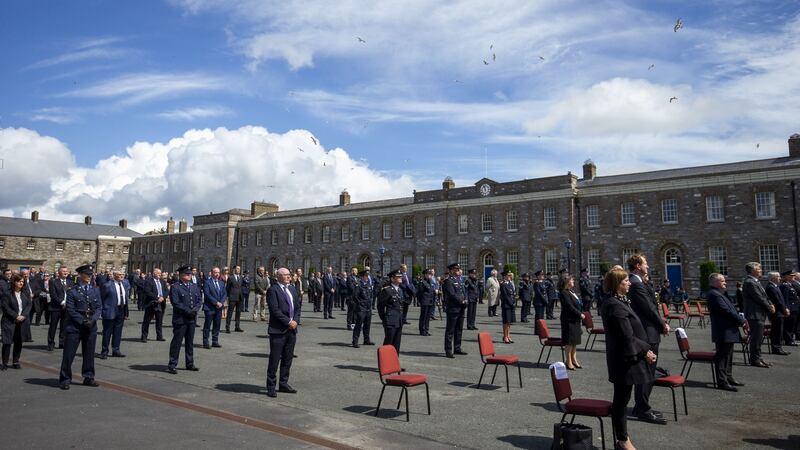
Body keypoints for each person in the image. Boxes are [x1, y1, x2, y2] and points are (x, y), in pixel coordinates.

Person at [599, 268, 657, 450]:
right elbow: (626, 335)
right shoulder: (614, 305)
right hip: (624, 360)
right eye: (625, 281)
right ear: (617, 284)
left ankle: (623, 439)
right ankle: (623, 440)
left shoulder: (620, 301)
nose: (629, 283)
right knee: (621, 401)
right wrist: (645, 350)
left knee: (623, 399)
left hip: (629, 357)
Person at [626, 254, 668, 425]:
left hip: (650, 331)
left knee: (649, 372)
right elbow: (648, 309)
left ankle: (641, 406)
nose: (648, 266)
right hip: (646, 333)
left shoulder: (640, 282)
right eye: (645, 264)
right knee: (646, 373)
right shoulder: (635, 284)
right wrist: (662, 325)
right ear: (637, 266)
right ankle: (642, 408)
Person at [59, 265, 102, 390]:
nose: (89, 276)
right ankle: (65, 379)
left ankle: (88, 377)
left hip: (91, 326)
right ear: (80, 275)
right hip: (75, 327)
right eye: (86, 274)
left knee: (89, 353)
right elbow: (71, 310)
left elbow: (99, 307)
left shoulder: (95, 290)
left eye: (91, 274)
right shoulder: (72, 291)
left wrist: (93, 320)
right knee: (69, 354)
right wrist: (83, 321)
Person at [706, 273, 746, 391]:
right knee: (722, 357)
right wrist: (742, 321)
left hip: (728, 329)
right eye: (722, 280)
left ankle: (728, 377)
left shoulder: (720, 294)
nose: (725, 282)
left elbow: (731, 309)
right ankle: (722, 381)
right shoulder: (714, 295)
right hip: (723, 330)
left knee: (728, 356)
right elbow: (727, 311)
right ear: (714, 283)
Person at [265, 267, 301, 397]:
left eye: (289, 275)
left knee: (288, 358)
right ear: (278, 277)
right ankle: (271, 386)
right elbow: (275, 311)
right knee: (274, 359)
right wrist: (288, 322)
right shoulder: (273, 290)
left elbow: (297, 307)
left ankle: (284, 383)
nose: (288, 277)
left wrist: (295, 320)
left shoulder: (291, 289)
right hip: (278, 330)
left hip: (292, 330)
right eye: (285, 275)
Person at [166, 266, 203, 374]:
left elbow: (199, 300)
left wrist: (195, 310)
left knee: (189, 342)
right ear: (181, 275)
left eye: (190, 274)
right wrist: (188, 311)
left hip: (191, 318)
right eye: (187, 274)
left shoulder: (194, 286)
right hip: (181, 318)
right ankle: (172, 364)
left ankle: (190, 363)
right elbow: (176, 302)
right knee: (177, 342)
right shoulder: (176, 287)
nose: (189, 275)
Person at [742, 262, 775, 368]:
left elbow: (764, 296)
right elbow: (759, 298)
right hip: (754, 314)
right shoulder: (749, 282)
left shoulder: (756, 282)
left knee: (759, 338)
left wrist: (770, 304)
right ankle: (755, 359)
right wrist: (770, 308)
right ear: (752, 271)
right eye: (758, 268)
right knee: (756, 338)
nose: (761, 270)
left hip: (759, 313)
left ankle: (759, 358)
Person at [1, 274, 32, 370]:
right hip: (9, 321)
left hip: (22, 321)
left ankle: (15, 361)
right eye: (19, 281)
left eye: (22, 282)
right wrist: (16, 316)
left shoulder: (25, 293)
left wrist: (24, 315)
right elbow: (5, 307)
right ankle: (5, 363)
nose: (21, 283)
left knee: (19, 342)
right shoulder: (7, 293)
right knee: (7, 342)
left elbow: (28, 305)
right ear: (14, 282)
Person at [99, 270, 129, 359]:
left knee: (118, 332)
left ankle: (116, 350)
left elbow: (125, 298)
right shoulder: (107, 285)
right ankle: (104, 351)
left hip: (121, 310)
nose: (121, 276)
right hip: (110, 310)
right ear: (114, 275)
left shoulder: (124, 284)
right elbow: (101, 298)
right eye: (119, 274)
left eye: (123, 274)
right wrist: (103, 310)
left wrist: (126, 312)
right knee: (107, 332)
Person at [559, 274, 584, 370]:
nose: (573, 281)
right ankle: (568, 361)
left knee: (575, 341)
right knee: (569, 342)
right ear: (567, 282)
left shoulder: (571, 291)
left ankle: (574, 359)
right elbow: (569, 307)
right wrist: (579, 314)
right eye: (572, 280)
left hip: (575, 320)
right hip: (568, 320)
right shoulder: (564, 293)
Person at [443, 263, 468, 358]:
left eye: (458, 269)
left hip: (461, 308)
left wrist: (466, 299)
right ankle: (448, 350)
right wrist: (461, 301)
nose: (458, 271)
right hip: (453, 308)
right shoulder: (448, 281)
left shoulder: (460, 280)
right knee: (450, 330)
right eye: (456, 269)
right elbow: (452, 294)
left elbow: (464, 292)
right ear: (451, 271)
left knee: (459, 329)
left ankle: (457, 348)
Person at [377, 270, 404, 352]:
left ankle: (394, 363)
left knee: (397, 344)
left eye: (400, 276)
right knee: (388, 343)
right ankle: (385, 363)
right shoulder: (387, 290)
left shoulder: (400, 290)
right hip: (390, 321)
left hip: (398, 321)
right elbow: (380, 306)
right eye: (398, 276)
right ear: (392, 279)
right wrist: (384, 319)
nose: (400, 278)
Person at [765, 271, 790, 356]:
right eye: (778, 276)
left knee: (779, 331)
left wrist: (785, 308)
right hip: (776, 313)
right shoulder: (771, 287)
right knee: (777, 331)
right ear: (773, 278)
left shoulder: (776, 286)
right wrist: (784, 310)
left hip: (779, 312)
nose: (780, 278)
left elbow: (782, 300)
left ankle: (778, 347)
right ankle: (776, 348)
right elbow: (777, 301)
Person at [47, 266, 72, 351]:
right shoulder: (53, 282)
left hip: (66, 308)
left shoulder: (70, 282)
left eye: (66, 271)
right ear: (59, 272)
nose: (66, 272)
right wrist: (62, 302)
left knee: (64, 327)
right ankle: (50, 343)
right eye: (64, 271)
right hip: (56, 308)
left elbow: (72, 294)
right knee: (53, 326)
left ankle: (62, 342)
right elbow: (53, 295)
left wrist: (69, 303)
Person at [141, 268, 167, 342]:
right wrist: (157, 298)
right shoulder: (149, 281)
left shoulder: (162, 281)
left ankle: (159, 336)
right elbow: (147, 291)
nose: (159, 274)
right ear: (154, 273)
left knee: (159, 320)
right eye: (158, 273)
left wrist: (163, 297)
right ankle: (144, 336)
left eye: (160, 273)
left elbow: (166, 290)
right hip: (151, 303)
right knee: (147, 320)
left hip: (161, 303)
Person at [202, 267, 226, 349]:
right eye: (215, 272)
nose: (217, 274)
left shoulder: (221, 283)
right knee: (207, 326)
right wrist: (216, 302)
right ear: (212, 273)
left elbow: (224, 294)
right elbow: (207, 294)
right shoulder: (207, 282)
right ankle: (205, 342)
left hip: (218, 308)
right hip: (209, 307)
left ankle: (215, 341)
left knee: (217, 325)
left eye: (218, 272)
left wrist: (221, 303)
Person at [352, 270, 375, 347]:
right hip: (361, 308)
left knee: (367, 325)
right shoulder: (358, 285)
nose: (367, 277)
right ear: (362, 277)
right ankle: (355, 341)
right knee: (358, 325)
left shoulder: (368, 284)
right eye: (366, 276)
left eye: (368, 276)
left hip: (368, 307)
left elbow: (371, 295)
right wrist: (360, 304)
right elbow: (355, 297)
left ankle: (366, 340)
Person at [780, 270, 800, 345]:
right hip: (791, 308)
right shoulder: (784, 285)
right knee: (789, 325)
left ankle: (790, 339)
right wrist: (786, 308)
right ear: (786, 277)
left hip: (795, 307)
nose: (793, 277)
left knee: (792, 324)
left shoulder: (789, 285)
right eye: (791, 276)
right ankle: (788, 340)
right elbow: (785, 298)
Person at [225, 265, 245, 333]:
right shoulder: (230, 278)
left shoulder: (241, 277)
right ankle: (227, 327)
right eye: (237, 269)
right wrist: (227, 297)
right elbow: (227, 288)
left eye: (239, 269)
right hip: (232, 297)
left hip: (240, 297)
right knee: (230, 313)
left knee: (238, 313)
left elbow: (242, 286)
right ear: (234, 269)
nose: (238, 270)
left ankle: (237, 326)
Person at [499, 270, 516, 344]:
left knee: (509, 322)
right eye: (508, 275)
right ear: (504, 276)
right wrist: (511, 303)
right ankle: (505, 336)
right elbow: (505, 296)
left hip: (511, 305)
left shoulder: (510, 284)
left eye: (510, 275)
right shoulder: (503, 284)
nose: (510, 277)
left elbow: (513, 294)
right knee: (506, 322)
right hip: (506, 305)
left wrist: (514, 302)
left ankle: (508, 335)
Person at [417, 269, 435, 336]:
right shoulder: (422, 282)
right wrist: (420, 301)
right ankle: (422, 330)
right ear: (425, 275)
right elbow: (420, 293)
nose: (430, 275)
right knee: (423, 316)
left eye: (430, 274)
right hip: (424, 301)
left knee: (428, 317)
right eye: (428, 274)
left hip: (430, 301)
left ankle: (426, 329)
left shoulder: (430, 282)